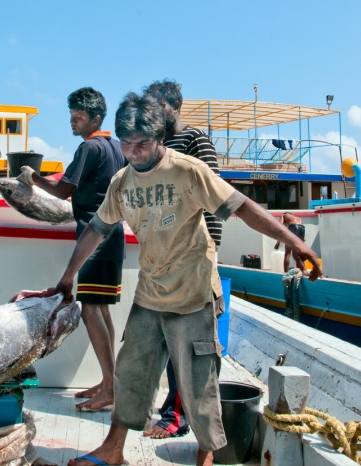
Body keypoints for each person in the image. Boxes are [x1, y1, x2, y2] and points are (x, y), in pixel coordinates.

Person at [54, 92, 322, 466]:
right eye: (127, 144)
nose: (134, 153)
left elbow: (242, 208)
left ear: (160, 137)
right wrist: (69, 275)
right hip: (151, 294)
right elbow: (96, 230)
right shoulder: (121, 182)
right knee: (132, 372)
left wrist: (293, 240)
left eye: (143, 144)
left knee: (199, 384)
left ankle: (206, 456)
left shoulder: (189, 171)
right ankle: (114, 449)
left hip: (194, 293)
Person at [17, 87, 126, 412]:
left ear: (94, 118)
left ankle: (109, 388)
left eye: (77, 117)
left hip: (95, 239)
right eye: (71, 116)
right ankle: (111, 381)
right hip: (114, 236)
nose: (72, 122)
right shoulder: (116, 148)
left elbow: (63, 190)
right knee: (102, 309)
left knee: (91, 309)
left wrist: (32, 177)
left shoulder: (88, 148)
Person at [141, 79, 223, 439]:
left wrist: (209, 253)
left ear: (173, 106)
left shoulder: (194, 141)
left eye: (156, 107)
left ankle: (177, 416)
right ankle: (166, 409)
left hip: (192, 258)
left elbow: (214, 197)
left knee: (187, 342)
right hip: (161, 259)